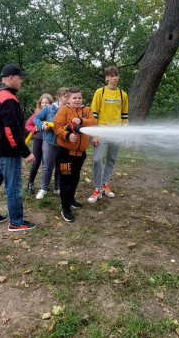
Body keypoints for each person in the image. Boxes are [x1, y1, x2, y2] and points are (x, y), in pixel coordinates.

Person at [0, 63, 36, 231]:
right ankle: (17, 222)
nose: (21, 81)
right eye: (19, 78)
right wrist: (25, 153)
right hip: (7, 152)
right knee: (13, 187)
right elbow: (11, 131)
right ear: (11, 77)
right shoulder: (9, 99)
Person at [53, 87, 99, 222]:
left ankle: (71, 199)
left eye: (79, 98)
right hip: (64, 154)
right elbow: (57, 127)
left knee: (75, 178)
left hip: (80, 154)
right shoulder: (63, 110)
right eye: (74, 98)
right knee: (66, 180)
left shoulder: (87, 110)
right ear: (68, 99)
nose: (77, 100)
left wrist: (81, 121)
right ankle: (65, 209)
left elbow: (93, 123)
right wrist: (67, 135)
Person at [88, 65, 128, 203]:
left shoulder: (123, 94)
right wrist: (94, 134)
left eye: (116, 75)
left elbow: (124, 116)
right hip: (101, 132)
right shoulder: (100, 92)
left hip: (116, 133)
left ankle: (105, 184)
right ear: (106, 78)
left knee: (111, 159)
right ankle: (97, 188)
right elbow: (93, 115)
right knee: (97, 159)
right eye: (111, 76)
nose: (114, 78)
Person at [33, 87, 70, 199]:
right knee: (47, 166)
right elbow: (36, 119)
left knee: (63, 166)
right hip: (50, 141)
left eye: (69, 96)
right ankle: (43, 188)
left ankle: (59, 188)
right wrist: (43, 126)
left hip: (65, 142)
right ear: (59, 97)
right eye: (66, 96)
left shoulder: (70, 109)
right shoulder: (49, 108)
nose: (68, 99)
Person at [25, 93, 53, 195]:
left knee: (47, 163)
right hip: (39, 139)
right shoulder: (37, 113)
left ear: (51, 104)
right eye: (43, 103)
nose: (45, 104)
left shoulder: (53, 113)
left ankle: (45, 185)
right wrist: (35, 129)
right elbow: (27, 125)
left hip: (49, 141)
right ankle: (30, 183)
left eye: (47, 103)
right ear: (40, 104)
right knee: (36, 162)